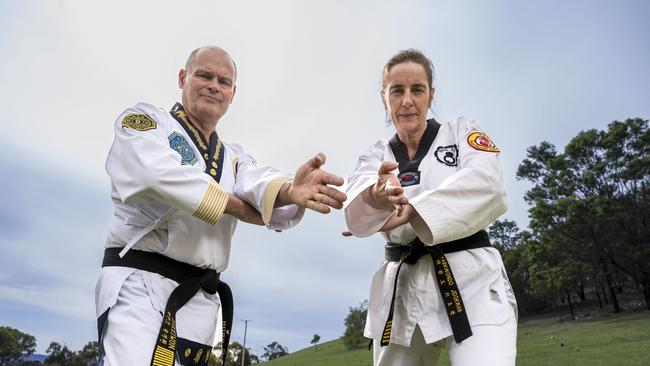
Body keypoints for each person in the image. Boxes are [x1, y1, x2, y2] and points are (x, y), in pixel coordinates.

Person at [96, 46, 347, 366]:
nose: (214, 85)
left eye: (224, 81)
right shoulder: (146, 123)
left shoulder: (234, 157)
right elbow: (156, 174)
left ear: (233, 93)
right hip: (139, 282)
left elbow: (257, 182)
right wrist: (234, 207)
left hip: (200, 298)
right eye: (204, 75)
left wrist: (290, 190)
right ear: (183, 77)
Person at [343, 49, 517, 366]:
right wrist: (377, 197)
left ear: (431, 94)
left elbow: (489, 184)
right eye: (397, 90)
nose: (407, 100)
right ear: (384, 97)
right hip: (402, 288)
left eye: (417, 89)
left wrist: (416, 210)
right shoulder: (375, 155)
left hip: (472, 280)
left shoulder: (461, 134)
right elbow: (357, 214)